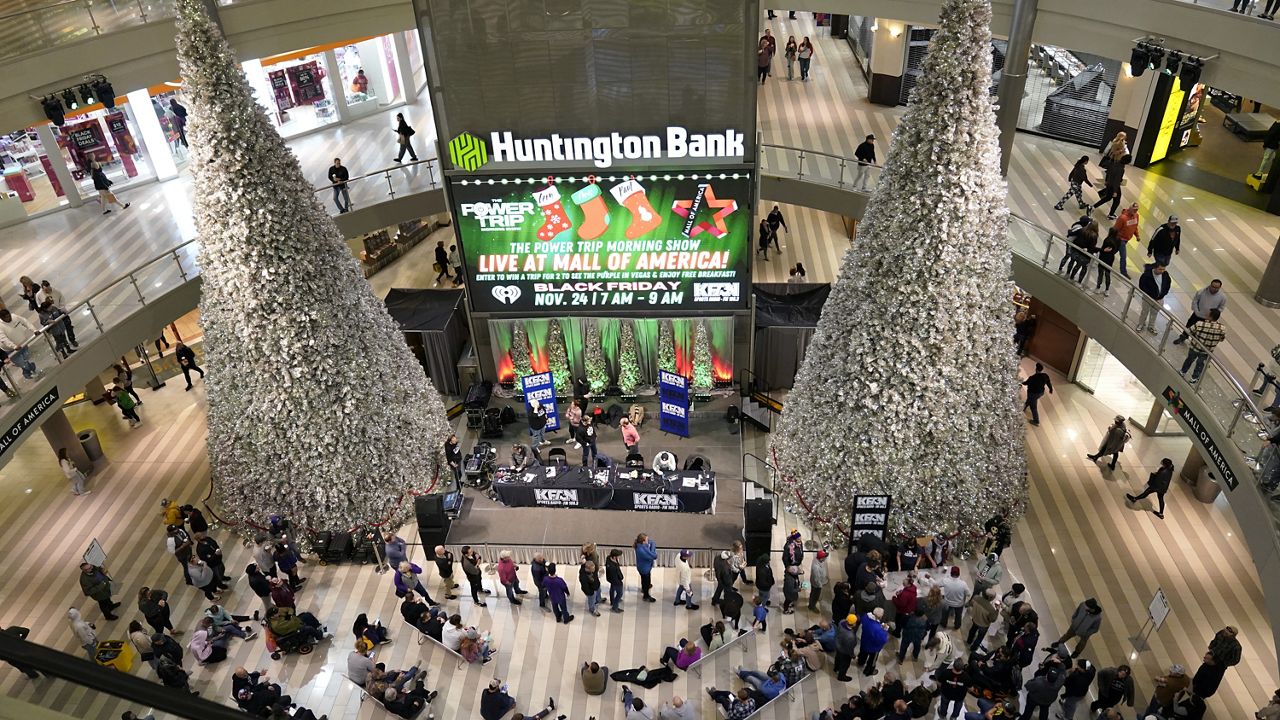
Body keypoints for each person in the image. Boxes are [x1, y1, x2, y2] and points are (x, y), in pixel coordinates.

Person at [1180, 308, 1226, 382]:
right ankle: (1194, 378)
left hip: (1195, 347)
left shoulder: (1200, 324)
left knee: (1189, 360)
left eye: (1208, 314)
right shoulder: (1222, 328)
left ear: (1210, 317)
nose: (1206, 315)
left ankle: (1183, 372)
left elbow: (1189, 331)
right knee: (1200, 364)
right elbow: (1221, 339)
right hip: (1207, 351)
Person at [1092, 134, 1130, 219]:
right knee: (1116, 200)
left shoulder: (1114, 164)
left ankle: (1093, 207)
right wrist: (1115, 191)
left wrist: (1106, 180)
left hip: (1109, 183)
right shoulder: (1120, 168)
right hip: (1113, 185)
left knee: (1108, 197)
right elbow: (1117, 181)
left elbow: (1109, 172)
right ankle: (1111, 214)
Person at [0, 309, 40, 380]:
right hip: (11, 350)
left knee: (26, 359)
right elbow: (3, 339)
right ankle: (32, 368)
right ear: (2, 318)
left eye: (9, 316)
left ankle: (27, 373)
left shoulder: (14, 317)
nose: (9, 318)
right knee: (22, 363)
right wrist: (14, 346)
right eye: (6, 317)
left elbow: (25, 322)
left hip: (23, 344)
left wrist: (34, 330)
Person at [1136, 262, 1172, 335]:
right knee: (1144, 311)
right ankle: (1141, 324)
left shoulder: (1165, 275)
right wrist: (1151, 296)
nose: (1162, 271)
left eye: (1163, 269)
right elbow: (1142, 286)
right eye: (1160, 269)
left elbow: (1167, 286)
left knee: (1154, 313)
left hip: (1160, 299)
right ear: (1155, 267)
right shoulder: (1147, 275)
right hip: (1148, 298)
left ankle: (1151, 326)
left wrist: (1162, 295)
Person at [1113, 202, 1140, 277]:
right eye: (1134, 209)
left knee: (1113, 251)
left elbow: (1135, 227)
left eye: (1137, 210)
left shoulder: (1136, 216)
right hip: (1120, 239)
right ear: (1130, 208)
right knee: (1123, 256)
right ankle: (1123, 271)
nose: (1135, 211)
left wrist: (1137, 236)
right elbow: (1115, 229)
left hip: (1126, 239)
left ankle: (1102, 257)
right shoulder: (1122, 218)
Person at [859, 608, 889, 676]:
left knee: (863, 654)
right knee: (872, 661)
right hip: (873, 648)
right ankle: (868, 671)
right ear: (880, 616)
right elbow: (883, 639)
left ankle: (860, 662)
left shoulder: (866, 617)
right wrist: (884, 630)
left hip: (864, 641)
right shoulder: (878, 629)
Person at [1094, 228, 1120, 295]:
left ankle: (1098, 287)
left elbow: (1103, 249)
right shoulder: (1118, 240)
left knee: (1101, 273)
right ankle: (1107, 289)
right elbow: (1116, 250)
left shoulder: (1107, 240)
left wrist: (1102, 250)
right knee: (1107, 273)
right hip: (1111, 258)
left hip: (1103, 257)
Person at [635, 533, 658, 602]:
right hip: (644, 568)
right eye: (647, 539)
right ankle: (646, 595)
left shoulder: (640, 545)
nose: (649, 540)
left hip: (643, 567)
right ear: (643, 541)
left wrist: (651, 547)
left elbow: (652, 542)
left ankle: (645, 587)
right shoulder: (641, 550)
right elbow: (654, 556)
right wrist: (652, 549)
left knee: (644, 579)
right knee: (646, 580)